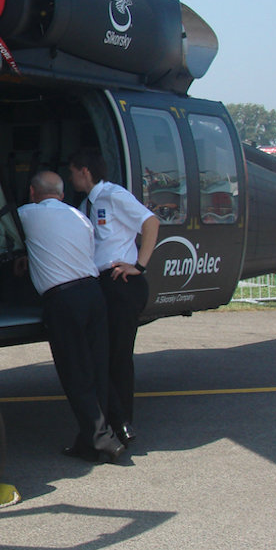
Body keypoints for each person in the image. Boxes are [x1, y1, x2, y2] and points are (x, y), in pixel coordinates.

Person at [16, 171, 125, 463]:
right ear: (62, 196)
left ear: (31, 193)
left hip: (64, 300)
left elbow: (6, 230)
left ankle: (104, 440)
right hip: (94, 294)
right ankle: (89, 442)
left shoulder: (26, 214)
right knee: (96, 370)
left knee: (75, 373)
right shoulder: (81, 218)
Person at [69, 148, 160, 446]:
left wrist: (140, 266)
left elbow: (150, 222)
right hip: (101, 284)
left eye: (72, 172)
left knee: (118, 357)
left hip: (122, 282)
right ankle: (113, 421)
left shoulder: (113, 195)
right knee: (101, 356)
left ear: (85, 171)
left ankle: (123, 424)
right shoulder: (85, 205)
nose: (71, 178)